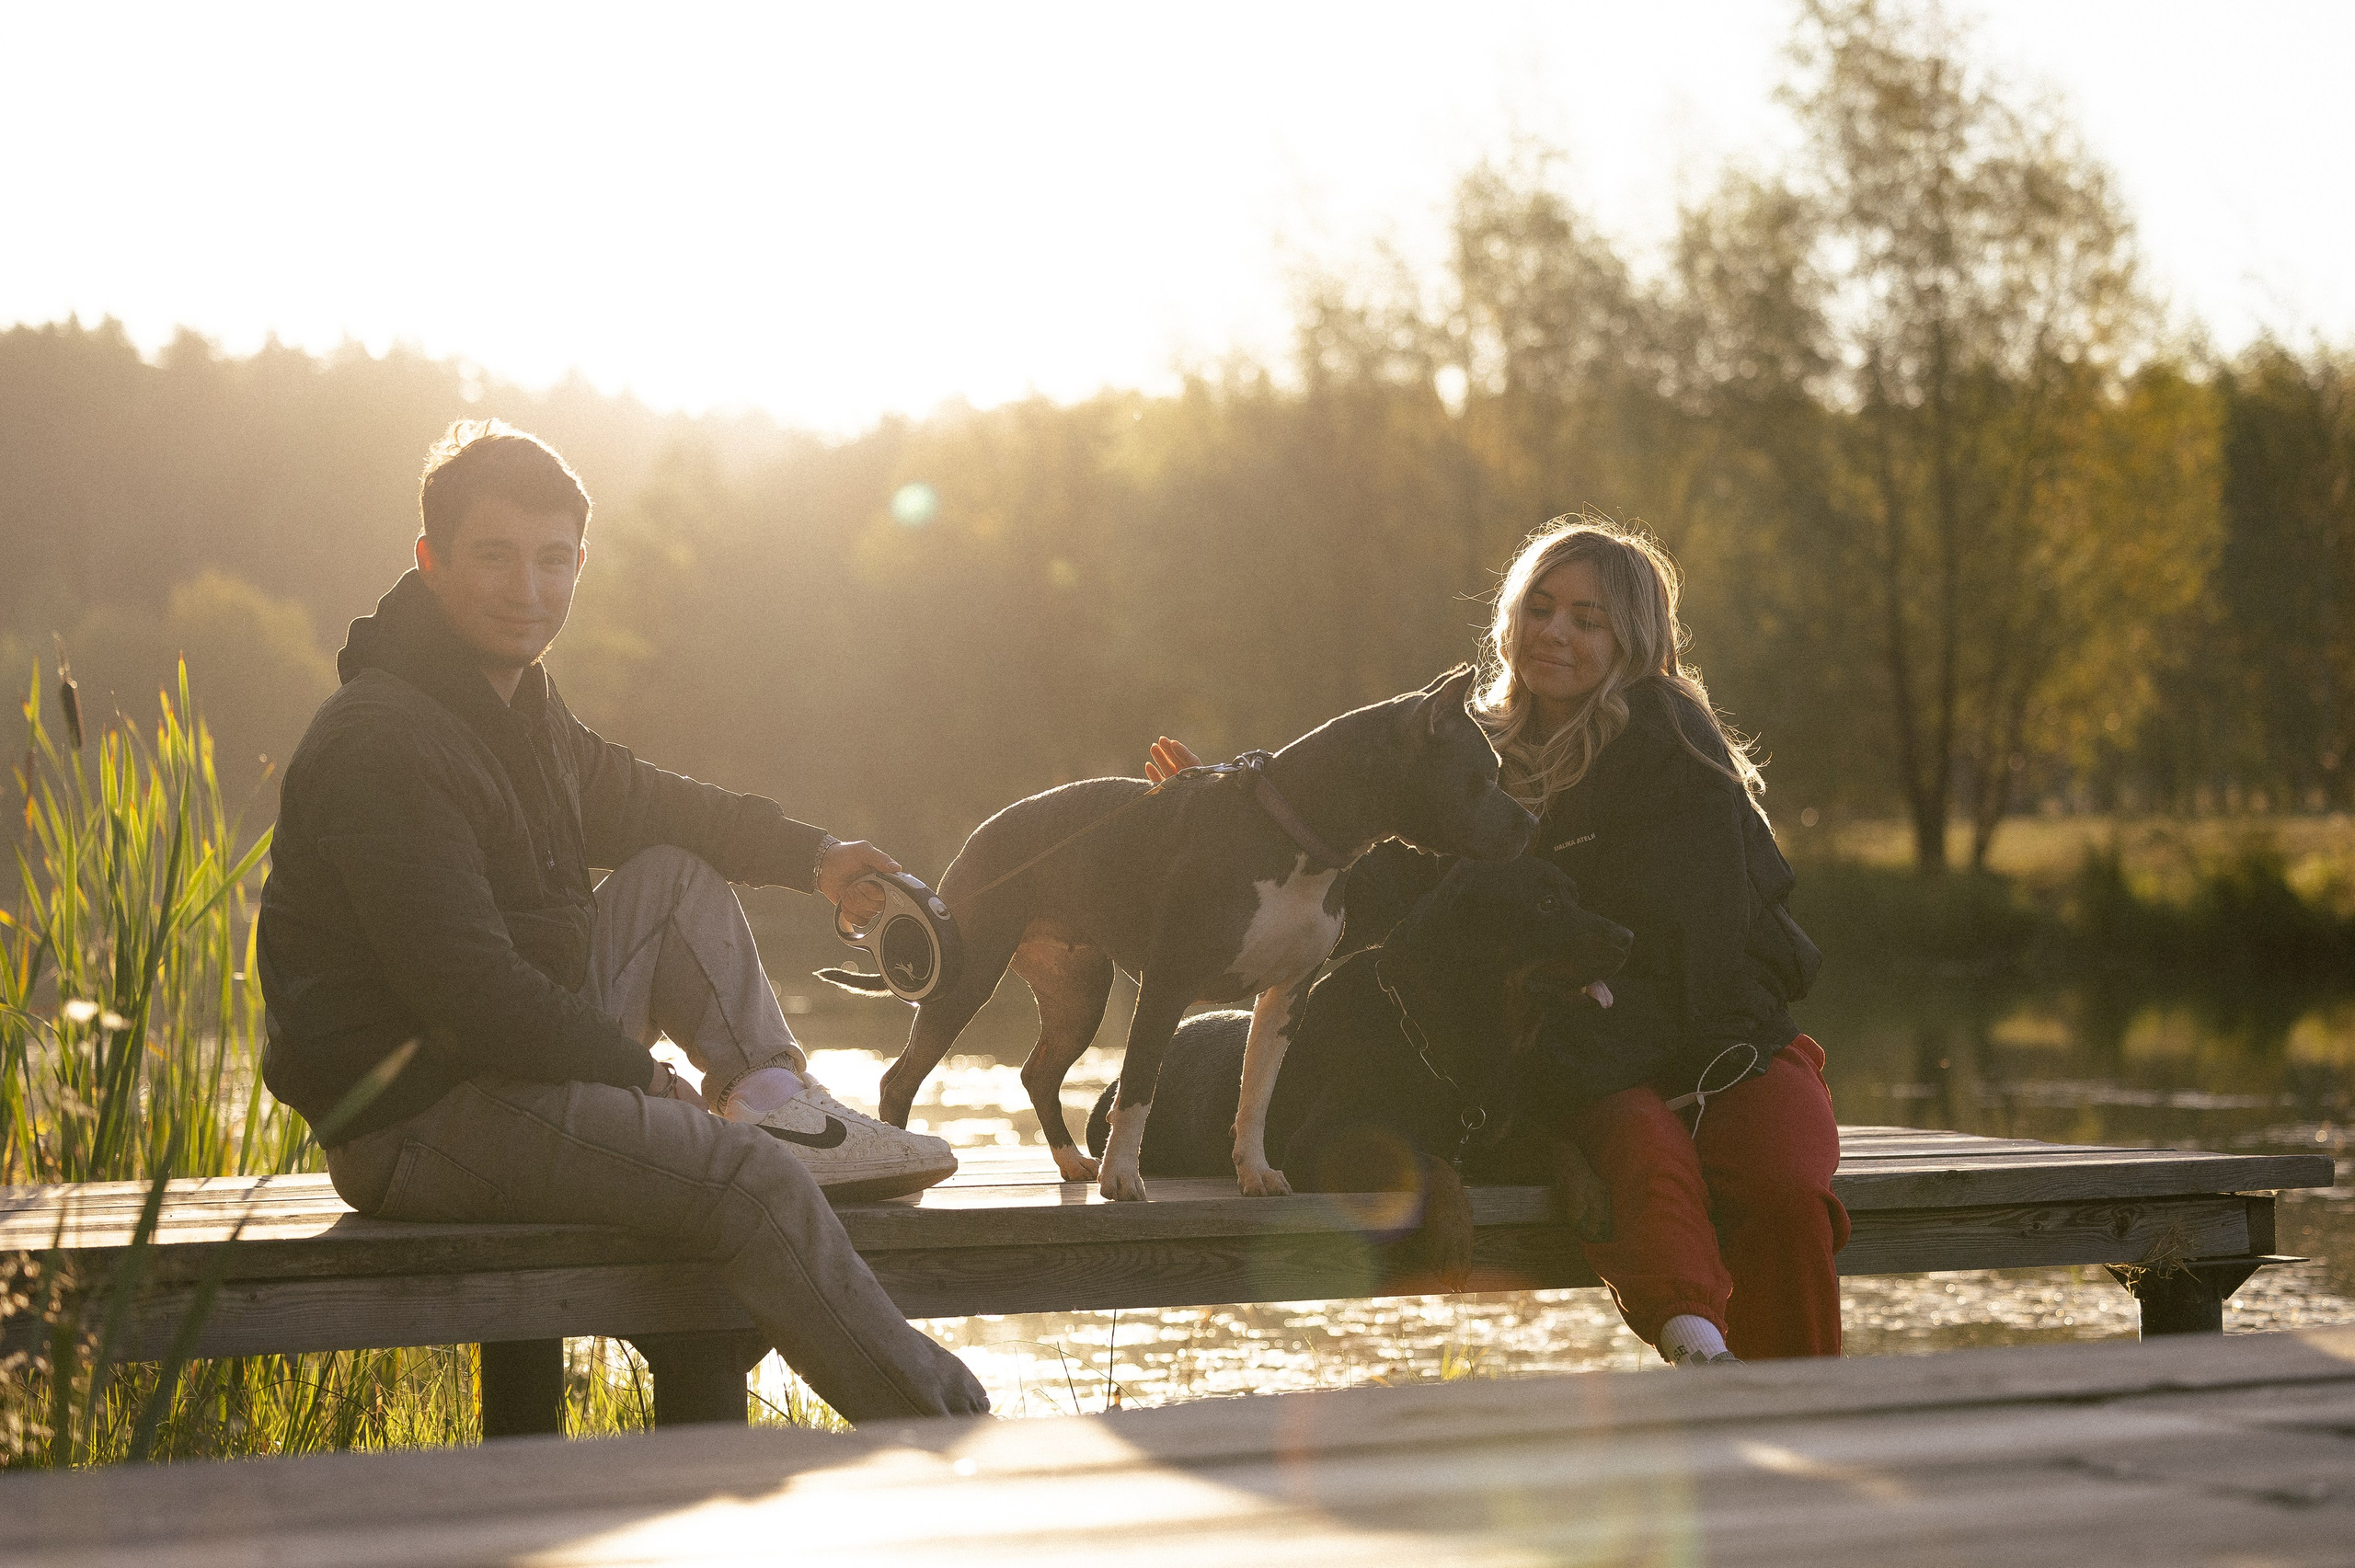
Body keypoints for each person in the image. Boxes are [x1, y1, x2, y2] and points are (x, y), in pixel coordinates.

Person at [258, 419, 988, 1421]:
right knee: (746, 1183)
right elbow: (468, 997)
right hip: (417, 1117)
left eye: (552, 561)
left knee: (675, 876)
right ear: (429, 563)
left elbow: (652, 805)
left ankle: (784, 1104)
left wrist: (814, 858)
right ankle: (953, 1430)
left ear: (580, 565)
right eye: (494, 557)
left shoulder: (516, 709)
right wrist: (643, 1077)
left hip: (505, 1059)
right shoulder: (385, 742)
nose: (527, 588)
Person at [1148, 516, 1840, 1365]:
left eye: (1588, 620)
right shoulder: (1464, 753)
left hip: (1718, 1045)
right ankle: (1705, 1357)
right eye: (1540, 607)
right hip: (1575, 1053)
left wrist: (1583, 1051)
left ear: (1634, 642)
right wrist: (1239, 829)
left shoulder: (1675, 748)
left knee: (1781, 1190)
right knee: (1641, 1167)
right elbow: (1374, 889)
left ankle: (1809, 1395)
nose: (1554, 631)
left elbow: (1699, 952)